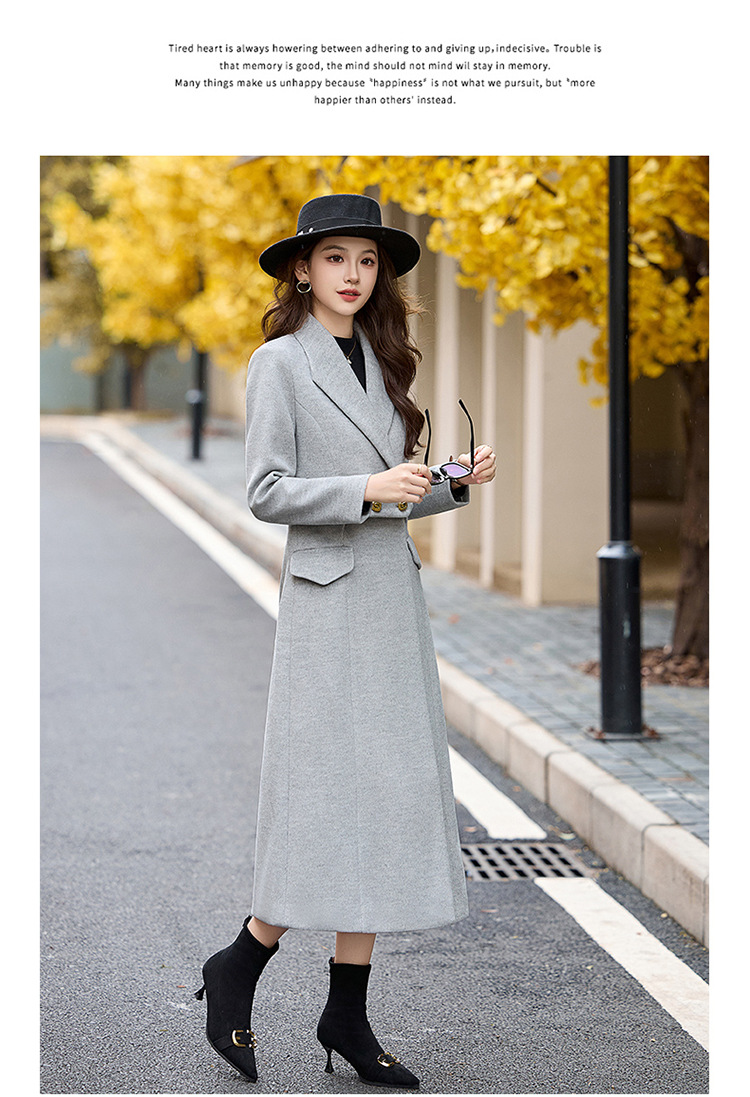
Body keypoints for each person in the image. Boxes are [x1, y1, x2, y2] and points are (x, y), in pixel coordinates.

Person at [195, 193, 497, 1089]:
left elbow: (394, 491)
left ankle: (347, 1014)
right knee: (322, 801)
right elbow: (267, 491)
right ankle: (241, 961)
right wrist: (366, 486)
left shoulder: (383, 356)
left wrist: (451, 480)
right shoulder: (278, 363)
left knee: (385, 802)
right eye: (335, 259)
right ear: (302, 269)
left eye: (367, 260)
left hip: (389, 602)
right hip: (327, 608)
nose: (354, 275)